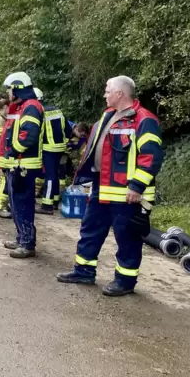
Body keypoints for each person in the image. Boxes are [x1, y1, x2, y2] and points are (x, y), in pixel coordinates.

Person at [57, 76, 164, 296]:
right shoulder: (108, 116)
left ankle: (125, 281)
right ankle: (84, 270)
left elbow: (151, 157)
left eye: (108, 91)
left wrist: (136, 187)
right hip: (102, 187)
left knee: (127, 238)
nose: (105, 95)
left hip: (127, 194)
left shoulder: (144, 120)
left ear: (120, 94)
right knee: (90, 230)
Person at [0, 71, 43, 259]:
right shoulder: (19, 107)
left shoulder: (31, 107)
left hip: (24, 165)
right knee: (16, 204)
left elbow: (29, 135)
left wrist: (12, 150)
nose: (8, 93)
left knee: (23, 204)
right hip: (16, 164)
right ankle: (21, 238)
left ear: (17, 88)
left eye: (10, 89)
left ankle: (27, 243)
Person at [34, 88, 71, 215]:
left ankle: (47, 205)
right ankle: (54, 201)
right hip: (60, 147)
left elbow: (36, 133)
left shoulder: (39, 113)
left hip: (48, 148)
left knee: (49, 176)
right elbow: (68, 130)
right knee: (54, 174)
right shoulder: (57, 110)